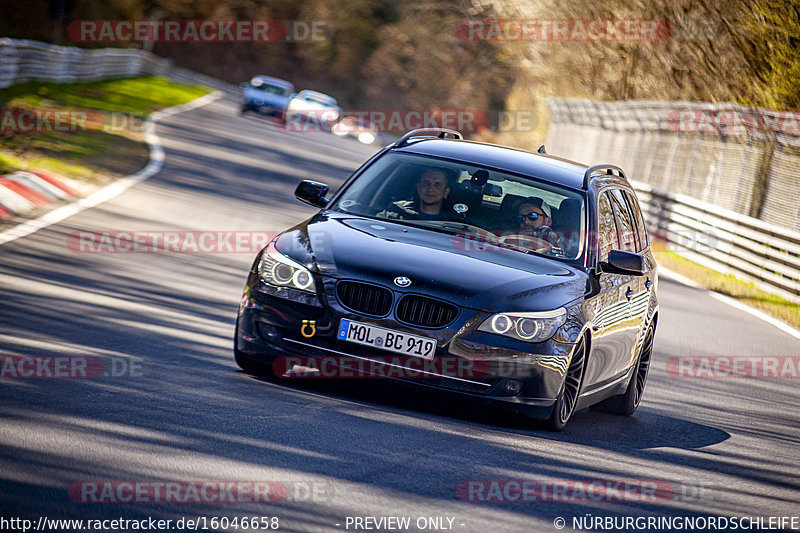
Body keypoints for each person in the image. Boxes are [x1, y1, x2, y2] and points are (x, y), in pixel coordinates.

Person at [379, 168, 458, 220]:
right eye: (426, 183)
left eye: (437, 184)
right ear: (418, 187)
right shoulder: (396, 212)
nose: (430, 189)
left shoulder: (455, 221)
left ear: (446, 191)